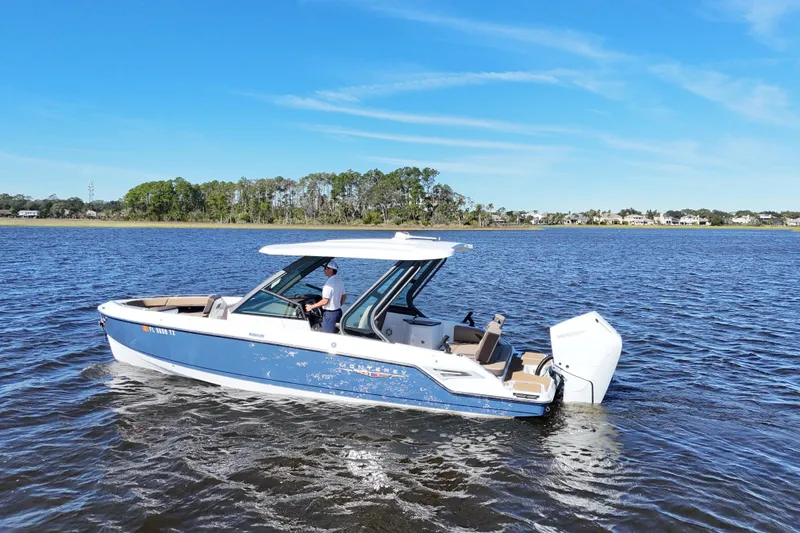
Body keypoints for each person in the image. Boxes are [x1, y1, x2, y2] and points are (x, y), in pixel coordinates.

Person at [305, 260, 346, 333]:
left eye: (325, 268)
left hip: (330, 314)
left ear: (330, 270)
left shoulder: (329, 284)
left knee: (326, 336)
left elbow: (325, 301)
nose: (324, 270)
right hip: (338, 312)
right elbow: (344, 297)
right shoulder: (339, 280)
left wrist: (311, 307)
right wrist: (337, 305)